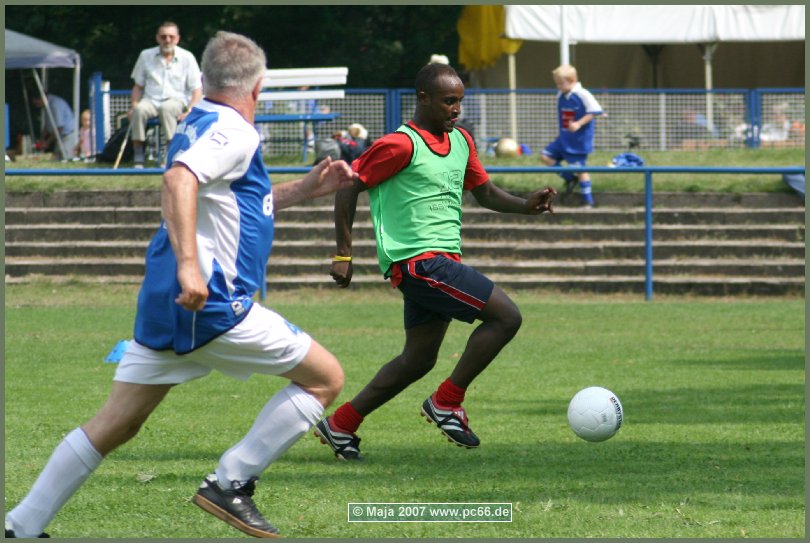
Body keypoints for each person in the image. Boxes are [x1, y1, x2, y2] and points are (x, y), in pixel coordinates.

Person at [5, 30, 357, 539]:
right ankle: (230, 483)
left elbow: (228, 200)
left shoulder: (198, 117)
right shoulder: (235, 130)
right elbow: (179, 180)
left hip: (166, 300)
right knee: (324, 379)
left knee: (117, 423)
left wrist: (305, 188)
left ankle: (22, 525)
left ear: (204, 78)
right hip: (209, 303)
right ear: (258, 87)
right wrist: (192, 267)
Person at [313, 62, 556, 461]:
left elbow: (485, 192)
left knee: (418, 359)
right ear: (424, 99)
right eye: (448, 101)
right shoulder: (399, 145)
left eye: (459, 101)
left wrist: (526, 206)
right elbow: (348, 187)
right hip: (418, 263)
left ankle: (341, 424)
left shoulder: (461, 141)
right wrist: (343, 253)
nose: (456, 109)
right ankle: (447, 401)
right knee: (506, 317)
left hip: (438, 263)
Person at [129, 21, 202, 168]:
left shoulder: (187, 57)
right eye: (163, 36)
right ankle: (138, 156)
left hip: (176, 101)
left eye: (171, 36)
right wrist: (134, 105)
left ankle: (171, 153)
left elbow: (197, 90)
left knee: (166, 108)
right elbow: (138, 86)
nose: (167, 40)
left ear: (177, 39)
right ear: (157, 38)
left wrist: (189, 111)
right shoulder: (145, 55)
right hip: (150, 100)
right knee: (139, 110)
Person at [539, 64, 603, 207]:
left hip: (578, 141)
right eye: (557, 83)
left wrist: (579, 123)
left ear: (572, 80)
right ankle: (570, 178)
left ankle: (588, 201)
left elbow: (594, 111)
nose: (558, 86)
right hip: (563, 138)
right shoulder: (561, 95)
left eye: (561, 83)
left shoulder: (583, 94)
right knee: (545, 156)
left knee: (580, 170)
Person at [31, 93, 76, 160]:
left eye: (37, 103)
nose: (37, 106)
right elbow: (47, 125)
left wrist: (47, 142)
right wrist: (42, 139)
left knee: (66, 159)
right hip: (60, 137)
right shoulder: (46, 106)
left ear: (41, 98)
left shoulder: (55, 105)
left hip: (68, 137)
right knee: (56, 159)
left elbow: (59, 128)